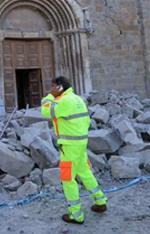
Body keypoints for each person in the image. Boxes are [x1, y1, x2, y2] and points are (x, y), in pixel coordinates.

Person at [40, 76, 107, 224]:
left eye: (53, 86)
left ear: (59, 87)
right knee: (84, 172)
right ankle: (100, 201)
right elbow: (86, 121)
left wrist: (50, 96)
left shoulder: (63, 101)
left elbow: (45, 111)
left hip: (69, 146)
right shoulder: (78, 99)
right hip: (81, 143)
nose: (50, 89)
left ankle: (76, 215)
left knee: (67, 178)